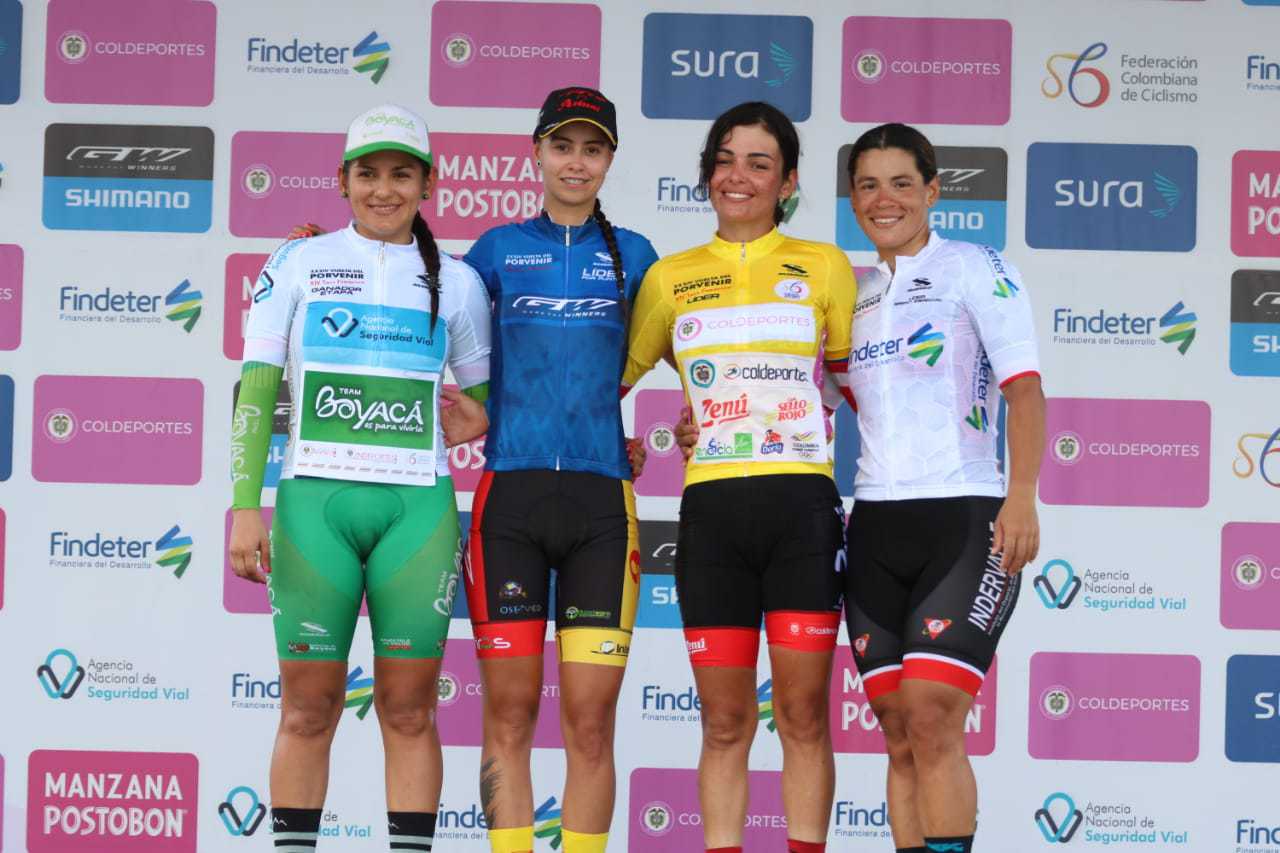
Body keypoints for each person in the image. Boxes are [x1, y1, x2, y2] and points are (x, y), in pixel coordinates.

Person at [228, 104, 492, 853]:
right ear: (342, 181)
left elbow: (488, 396)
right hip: (315, 504)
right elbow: (257, 388)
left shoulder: (458, 282)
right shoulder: (298, 262)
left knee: (409, 711)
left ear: (428, 184)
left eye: (401, 174)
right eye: (367, 174)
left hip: (417, 510)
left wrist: (478, 417)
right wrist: (244, 507)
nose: (384, 190)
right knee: (307, 709)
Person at [623, 101, 856, 853]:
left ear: (787, 182)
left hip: (801, 510)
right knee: (724, 722)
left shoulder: (825, 265)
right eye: (724, 160)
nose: (738, 176)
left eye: (759, 163)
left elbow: (858, 383)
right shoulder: (670, 277)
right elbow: (604, 380)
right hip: (714, 517)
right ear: (706, 174)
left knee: (803, 716)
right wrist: (624, 444)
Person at [459, 87, 659, 853]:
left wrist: (691, 424)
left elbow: (701, 342)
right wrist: (324, 254)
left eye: (593, 148)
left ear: (610, 159)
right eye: (563, 145)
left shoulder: (636, 255)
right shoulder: (496, 250)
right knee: (508, 715)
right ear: (537, 152)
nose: (577, 162)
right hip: (509, 497)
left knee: (591, 721)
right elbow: (423, 302)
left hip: (600, 503)